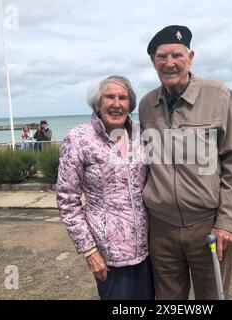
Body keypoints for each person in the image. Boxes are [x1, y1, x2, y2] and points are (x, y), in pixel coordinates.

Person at [139, 25, 232, 300]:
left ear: (191, 57)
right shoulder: (146, 104)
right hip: (161, 227)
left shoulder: (218, 95)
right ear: (153, 62)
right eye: (161, 56)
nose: (169, 63)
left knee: (211, 297)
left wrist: (226, 222)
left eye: (177, 55)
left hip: (207, 224)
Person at [56, 75, 154, 300]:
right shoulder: (78, 139)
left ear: (130, 104)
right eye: (110, 97)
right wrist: (89, 250)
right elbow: (66, 200)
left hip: (149, 250)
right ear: (98, 103)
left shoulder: (142, 134)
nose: (117, 103)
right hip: (108, 255)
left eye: (123, 98)